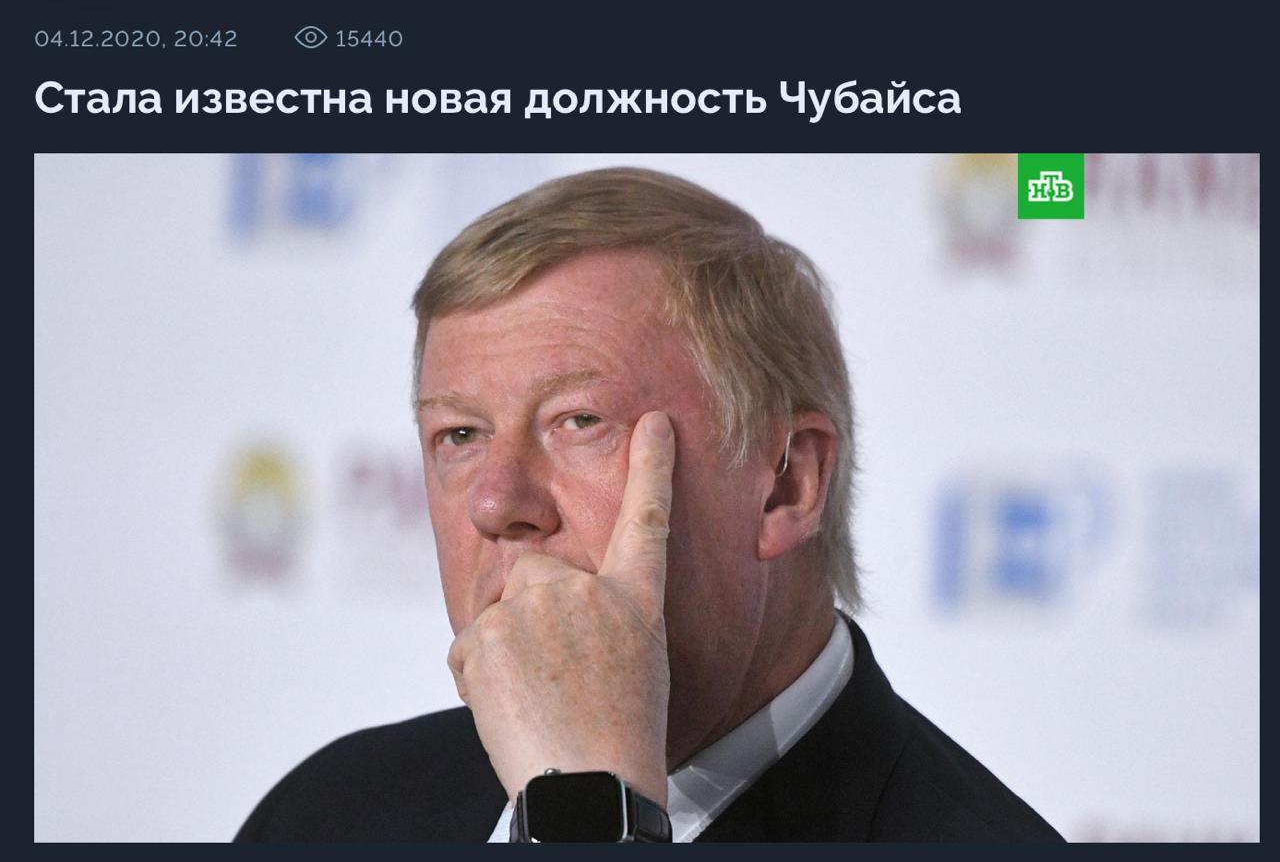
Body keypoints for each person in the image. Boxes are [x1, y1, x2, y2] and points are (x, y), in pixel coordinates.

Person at [235, 166, 1064, 842]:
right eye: (459, 434)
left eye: (578, 421)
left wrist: (589, 814)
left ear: (785, 484)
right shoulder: (328, 814)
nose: (494, 501)